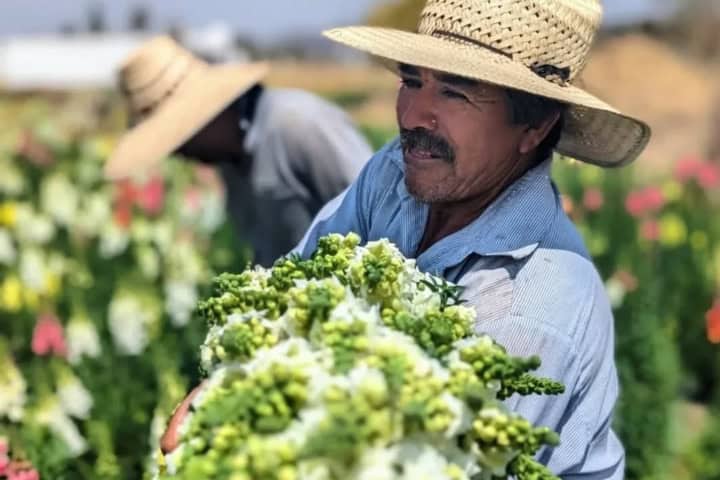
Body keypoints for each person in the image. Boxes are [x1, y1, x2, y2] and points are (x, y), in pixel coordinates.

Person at [162, 0, 652, 477]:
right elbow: (294, 283)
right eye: (411, 80)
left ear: (535, 125)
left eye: (456, 93)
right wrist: (227, 383)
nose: (415, 115)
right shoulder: (399, 171)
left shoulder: (529, 307)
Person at [104, 35, 372, 266]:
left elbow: (381, 214)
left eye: (177, 140)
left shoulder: (298, 124)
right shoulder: (231, 158)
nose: (178, 153)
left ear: (203, 116)